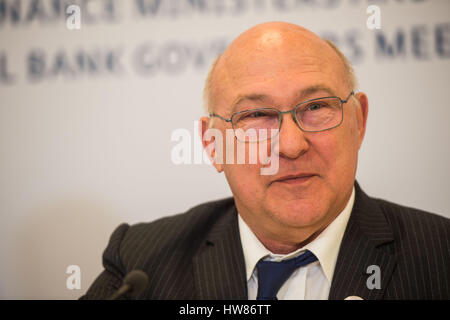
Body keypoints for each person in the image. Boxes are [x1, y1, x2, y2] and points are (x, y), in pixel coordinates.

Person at [81, 22, 450, 300]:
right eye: (256, 116)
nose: (290, 145)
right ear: (213, 145)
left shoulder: (440, 257)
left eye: (317, 107)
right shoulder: (142, 263)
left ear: (359, 121)